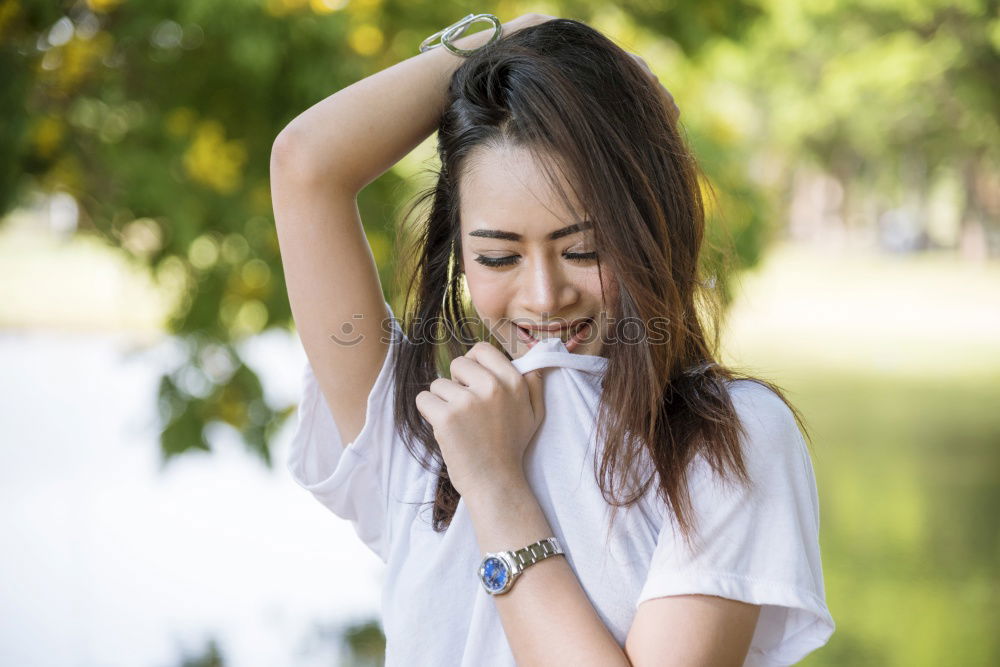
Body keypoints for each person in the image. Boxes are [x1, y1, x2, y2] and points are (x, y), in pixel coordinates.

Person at [271, 12, 835, 666]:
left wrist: (496, 485)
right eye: (499, 258)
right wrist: (513, 38)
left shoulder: (727, 439)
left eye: (584, 250)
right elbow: (305, 162)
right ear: (459, 251)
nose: (543, 295)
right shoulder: (423, 423)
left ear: (652, 224)